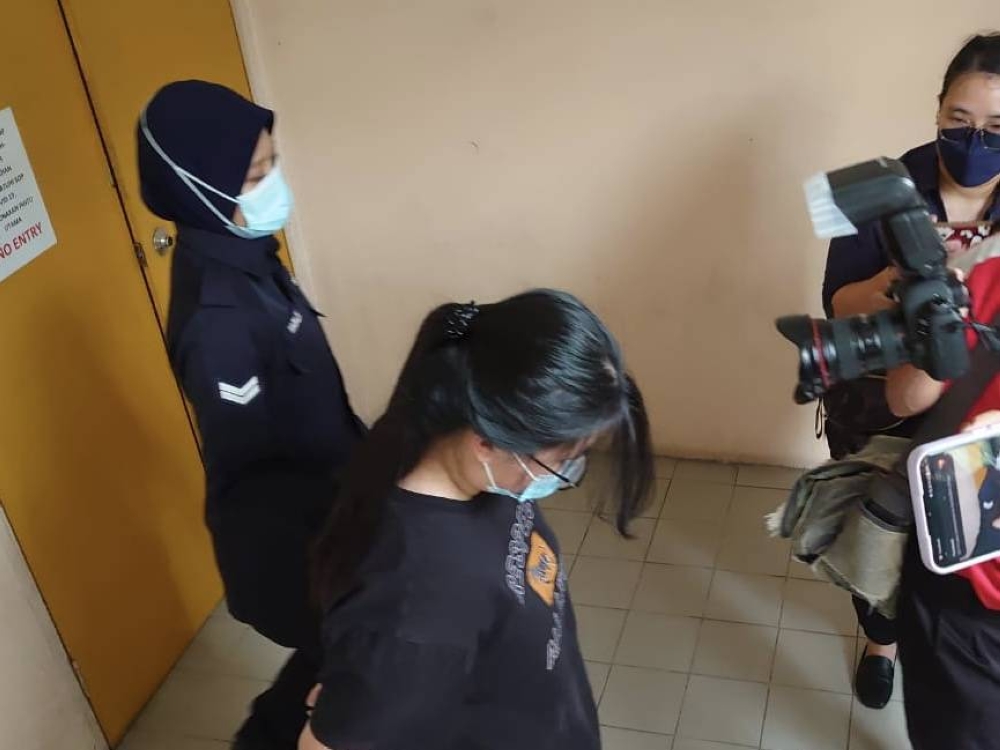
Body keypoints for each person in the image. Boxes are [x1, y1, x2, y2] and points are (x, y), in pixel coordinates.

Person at [297, 290, 654, 750]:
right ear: (486, 442)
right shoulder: (419, 598)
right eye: (563, 459)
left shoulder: (483, 474)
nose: (564, 474)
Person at [137, 80, 365, 750]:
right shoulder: (219, 320)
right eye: (257, 175)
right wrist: (349, 552)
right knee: (340, 679)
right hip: (299, 542)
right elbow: (261, 471)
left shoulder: (250, 260)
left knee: (338, 666)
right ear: (194, 187)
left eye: (272, 165)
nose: (274, 185)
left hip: (336, 511)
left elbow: (313, 409)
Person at [821, 32, 1000, 710]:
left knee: (953, 549)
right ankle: (881, 643)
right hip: (881, 403)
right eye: (959, 121)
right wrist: (910, 278)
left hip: (979, 417)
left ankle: (938, 641)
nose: (975, 142)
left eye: (995, 128)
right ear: (936, 110)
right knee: (881, 539)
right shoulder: (878, 186)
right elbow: (837, 303)